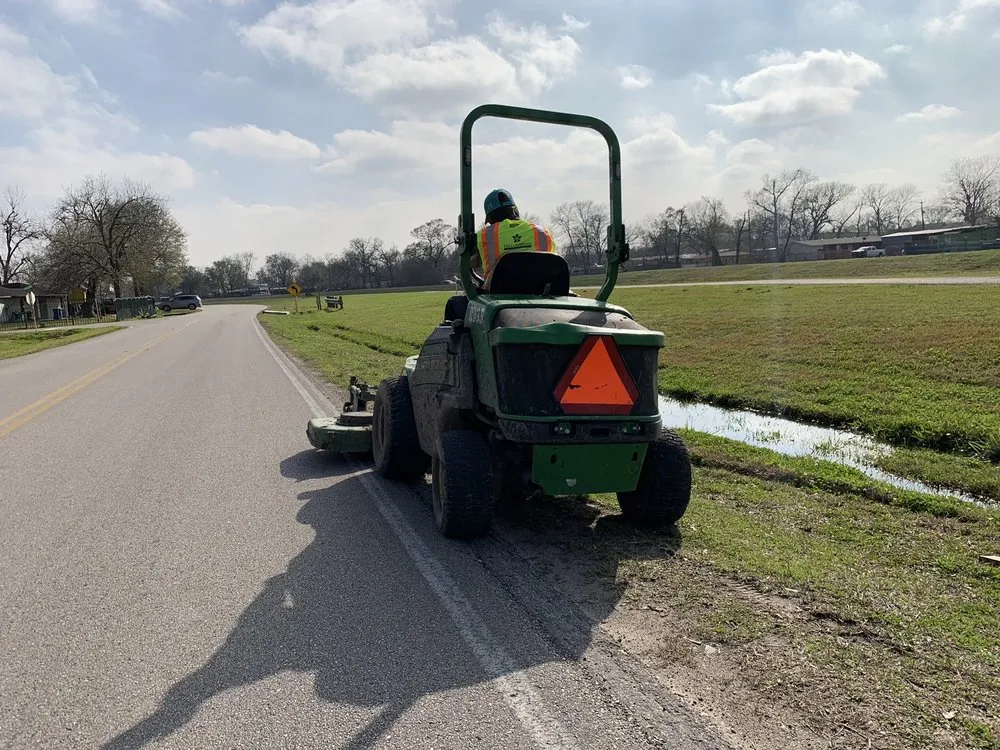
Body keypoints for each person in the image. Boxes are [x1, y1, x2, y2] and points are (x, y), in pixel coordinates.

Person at [471, 189, 556, 284]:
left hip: (498, 294)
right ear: (516, 210)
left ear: (490, 218)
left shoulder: (482, 236)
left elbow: (470, 263)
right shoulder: (544, 234)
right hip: (541, 293)